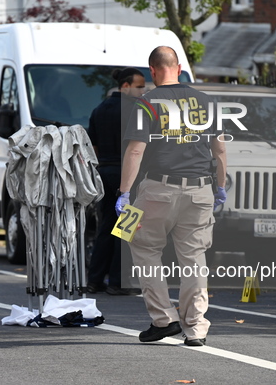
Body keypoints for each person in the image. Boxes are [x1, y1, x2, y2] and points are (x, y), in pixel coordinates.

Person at [116, 46, 227, 346]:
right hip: (201, 190)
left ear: (152, 71)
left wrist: (124, 193)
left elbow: (136, 151)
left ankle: (164, 319)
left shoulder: (147, 103)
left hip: (157, 189)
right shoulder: (207, 101)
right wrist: (220, 187)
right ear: (178, 68)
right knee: (193, 257)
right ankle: (196, 328)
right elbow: (219, 151)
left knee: (137, 241)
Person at [87, 67, 146, 295]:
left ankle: (94, 279)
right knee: (126, 227)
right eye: (139, 86)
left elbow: (93, 146)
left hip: (105, 171)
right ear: (125, 85)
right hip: (127, 174)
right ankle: (118, 281)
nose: (143, 90)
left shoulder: (99, 109)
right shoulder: (137, 110)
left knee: (105, 227)